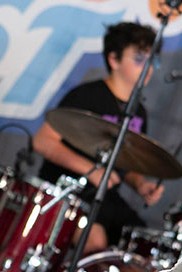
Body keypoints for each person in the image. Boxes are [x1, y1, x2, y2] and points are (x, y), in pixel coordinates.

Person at [33, 21, 165, 255]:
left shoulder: (139, 112)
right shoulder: (87, 96)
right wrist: (90, 170)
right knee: (95, 244)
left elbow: (124, 164)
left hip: (105, 197)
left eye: (152, 59)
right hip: (69, 192)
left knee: (148, 250)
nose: (148, 67)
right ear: (114, 60)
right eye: (139, 58)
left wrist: (140, 185)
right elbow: (43, 141)